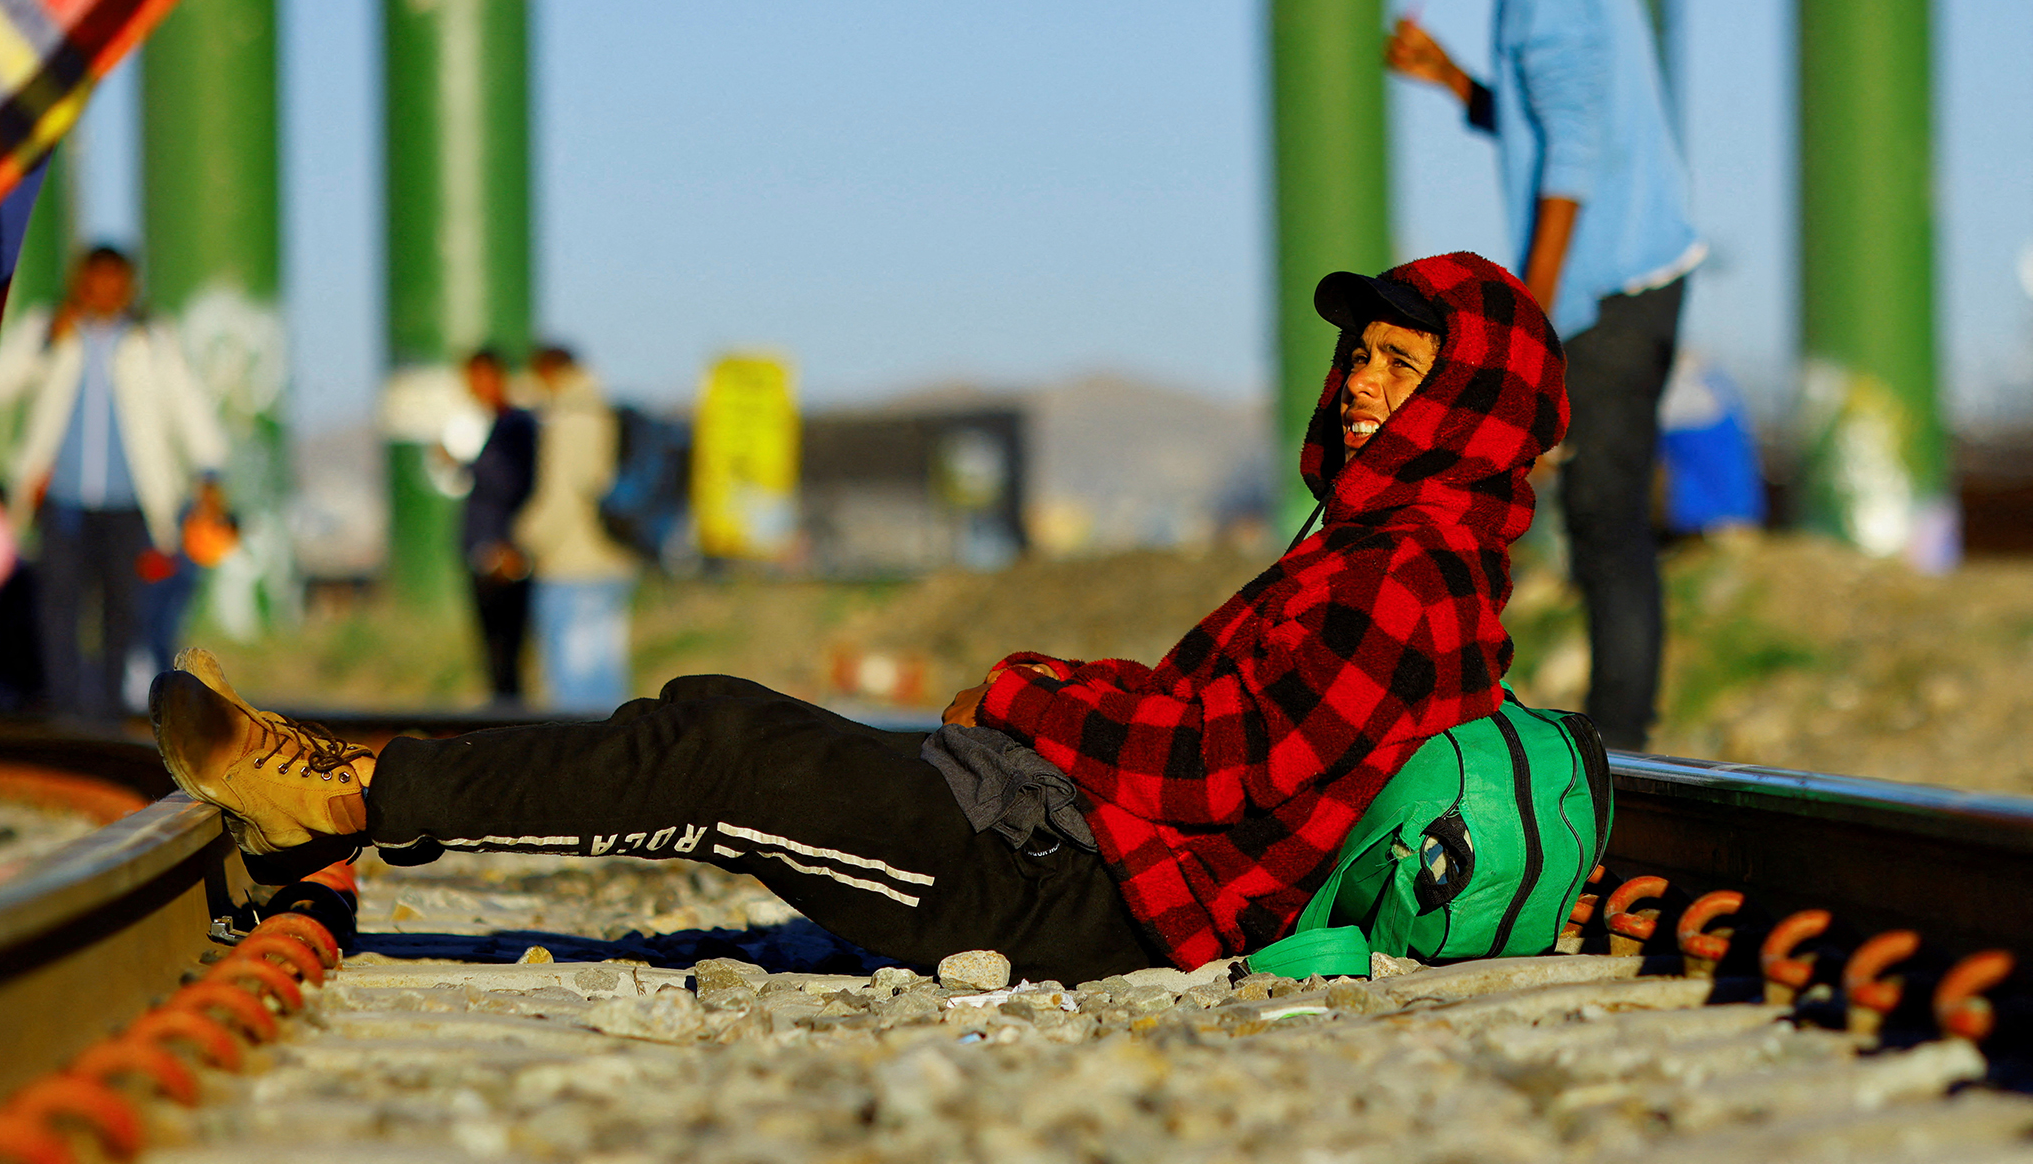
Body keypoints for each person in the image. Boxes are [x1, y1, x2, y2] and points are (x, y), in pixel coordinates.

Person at [151, 252, 1566, 982]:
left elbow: (1222, 767)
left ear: (1472, 410)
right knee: (717, 717)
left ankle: (344, 793)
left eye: (1397, 366)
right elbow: (1212, 732)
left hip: (1089, 902)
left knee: (724, 766)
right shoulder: (1380, 548)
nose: (1361, 388)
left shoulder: (1409, 573)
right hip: (1066, 839)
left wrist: (1020, 697)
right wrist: (1037, 697)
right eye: (1359, 358)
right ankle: (360, 779)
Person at [1377, 0, 1703, 750]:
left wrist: (1533, 314)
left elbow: (1572, 149)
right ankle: (1618, 748)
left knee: (1605, 524)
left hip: (1610, 295)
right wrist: (1452, 81)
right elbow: (1542, 120)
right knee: (1600, 524)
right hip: (1623, 286)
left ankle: (1624, 757)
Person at [0, 246, 227, 726]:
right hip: (61, 499)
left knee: (122, 606)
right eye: (93, 280)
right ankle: (63, 708)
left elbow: (188, 407)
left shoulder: (152, 341)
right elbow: (1, 384)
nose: (102, 290)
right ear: (80, 283)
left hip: (130, 503)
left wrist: (209, 471)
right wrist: (40, 344)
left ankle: (105, 713)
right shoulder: (49, 330)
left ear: (128, 286)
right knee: (58, 606)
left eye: (112, 280)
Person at [517, 345, 638, 709]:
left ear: (550, 373)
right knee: (606, 679)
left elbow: (560, 503)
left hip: (573, 565)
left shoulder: (569, 421)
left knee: (573, 690)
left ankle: (584, 765)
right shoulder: (607, 414)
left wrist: (524, 538)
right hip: (615, 558)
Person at [460, 348, 539, 703]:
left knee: (507, 650)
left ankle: (510, 727)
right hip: (483, 550)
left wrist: (468, 466)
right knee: (493, 652)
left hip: (502, 552)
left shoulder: (516, 426)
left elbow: (513, 485)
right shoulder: (491, 424)